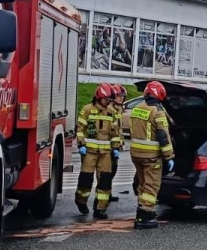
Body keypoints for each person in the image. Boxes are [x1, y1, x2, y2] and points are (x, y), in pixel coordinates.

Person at [128, 81, 175, 229]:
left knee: (143, 184)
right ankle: (145, 216)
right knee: (151, 185)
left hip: (136, 154)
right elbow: (163, 136)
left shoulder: (137, 108)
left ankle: (141, 210)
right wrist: (169, 157)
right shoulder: (157, 112)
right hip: (151, 156)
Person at [75, 82, 123, 219]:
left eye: (109, 100)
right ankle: (81, 201)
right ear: (98, 97)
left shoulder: (111, 112)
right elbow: (80, 129)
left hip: (105, 153)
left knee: (105, 180)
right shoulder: (87, 110)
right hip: (89, 151)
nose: (108, 102)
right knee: (86, 179)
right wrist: (81, 145)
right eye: (106, 99)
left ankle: (100, 208)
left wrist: (115, 147)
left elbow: (114, 133)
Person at [108, 85, 128, 203]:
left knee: (113, 170)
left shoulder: (119, 109)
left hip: (116, 145)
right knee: (106, 172)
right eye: (119, 96)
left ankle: (108, 192)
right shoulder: (110, 109)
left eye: (122, 97)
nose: (121, 98)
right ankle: (103, 195)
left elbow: (119, 129)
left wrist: (120, 143)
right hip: (109, 146)